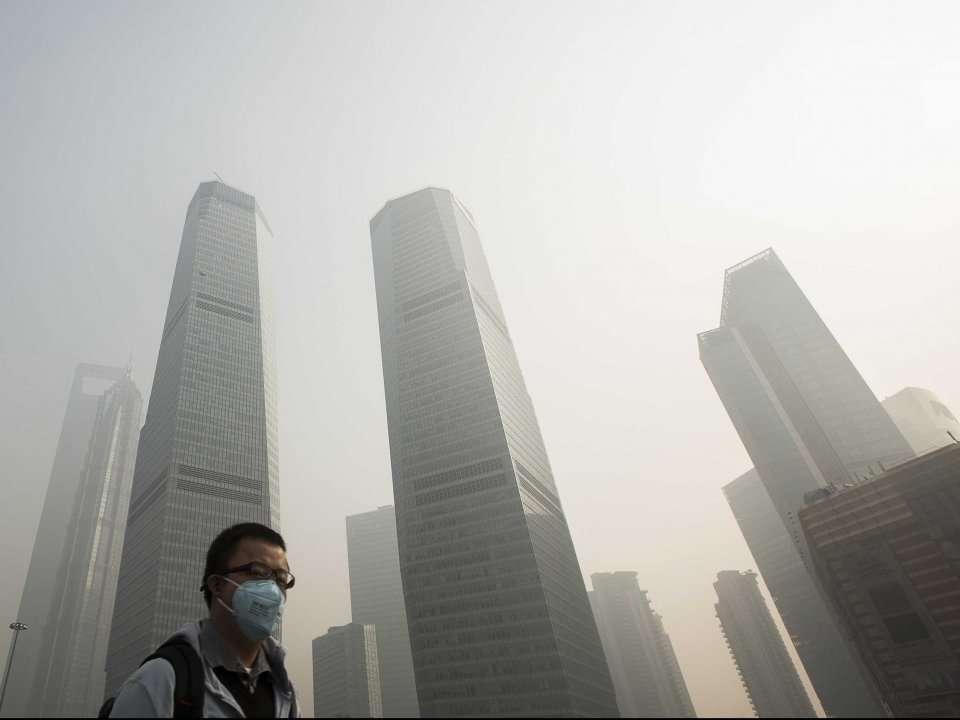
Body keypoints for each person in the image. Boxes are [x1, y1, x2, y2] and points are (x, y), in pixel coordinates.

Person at [107, 522, 300, 718]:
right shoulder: (161, 680)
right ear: (217, 585)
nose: (273, 590)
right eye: (258, 572)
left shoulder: (285, 693)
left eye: (281, 579)